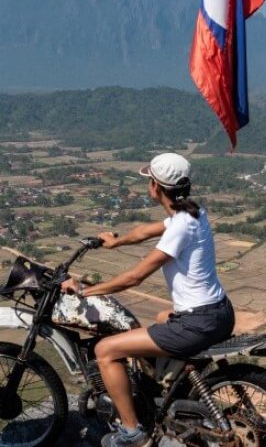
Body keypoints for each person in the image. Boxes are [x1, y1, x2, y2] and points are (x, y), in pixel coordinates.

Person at [60, 152, 235, 447]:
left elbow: (134, 278)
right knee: (159, 318)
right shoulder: (192, 213)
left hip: (197, 323)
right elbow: (145, 231)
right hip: (220, 312)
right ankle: (170, 393)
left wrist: (84, 291)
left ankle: (133, 433)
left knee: (105, 349)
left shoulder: (180, 226)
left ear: (155, 186)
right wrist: (116, 242)